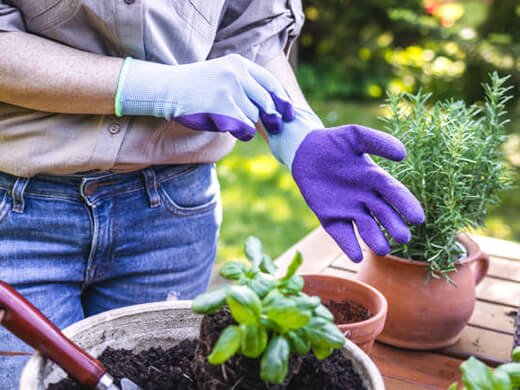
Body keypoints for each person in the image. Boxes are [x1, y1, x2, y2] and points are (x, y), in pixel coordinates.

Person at [0, 1, 424, 387]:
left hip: (171, 211)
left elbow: (250, 26)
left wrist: (296, 133)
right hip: (21, 214)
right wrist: (158, 88)